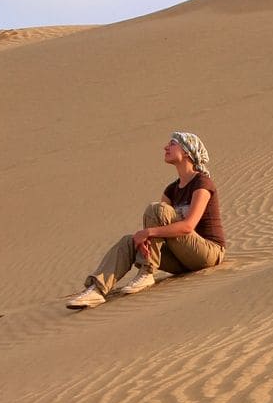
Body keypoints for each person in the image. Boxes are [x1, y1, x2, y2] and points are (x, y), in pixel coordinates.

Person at [67, 131, 226, 309]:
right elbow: (158, 224)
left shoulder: (202, 183)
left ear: (188, 151)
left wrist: (148, 233)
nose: (166, 147)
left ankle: (147, 272)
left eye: (172, 144)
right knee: (129, 241)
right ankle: (96, 290)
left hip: (208, 253)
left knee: (156, 209)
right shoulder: (171, 190)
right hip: (181, 258)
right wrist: (146, 239)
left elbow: (188, 226)